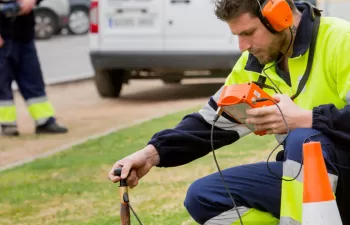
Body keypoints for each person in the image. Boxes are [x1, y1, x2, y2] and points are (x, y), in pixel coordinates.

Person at [108, 0, 350, 224]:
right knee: (204, 196)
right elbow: (210, 123)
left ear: (280, 17)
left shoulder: (341, 39)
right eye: (237, 36)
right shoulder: (253, 64)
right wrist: (151, 154)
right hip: (304, 177)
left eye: (248, 33)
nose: (243, 46)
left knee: (303, 139)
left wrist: (307, 119)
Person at [0, 0, 68, 136]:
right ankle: (8, 125)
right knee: (2, 83)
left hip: (24, 37)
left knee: (34, 80)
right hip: (2, 40)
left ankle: (45, 121)